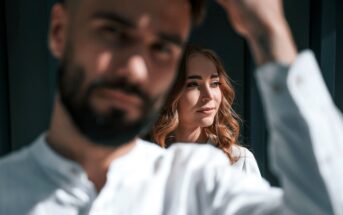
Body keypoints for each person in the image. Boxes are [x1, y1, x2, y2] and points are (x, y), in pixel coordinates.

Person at [0, 0, 342, 214]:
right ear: (59, 31)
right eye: (113, 32)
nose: (135, 69)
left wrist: (269, 30)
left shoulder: (201, 182)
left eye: (162, 47)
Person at [152, 45, 261, 176]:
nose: (209, 96)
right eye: (193, 84)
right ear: (168, 91)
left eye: (214, 83)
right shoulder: (142, 159)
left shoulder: (239, 161)